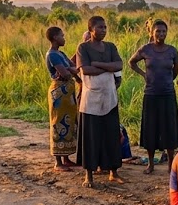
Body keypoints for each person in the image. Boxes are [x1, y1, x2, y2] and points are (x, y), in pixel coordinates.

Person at [75, 16, 124, 188]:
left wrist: (97, 64)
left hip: (109, 97)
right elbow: (86, 70)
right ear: (91, 30)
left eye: (105, 27)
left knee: (111, 136)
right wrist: (107, 66)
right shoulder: (83, 48)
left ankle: (113, 172)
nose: (103, 30)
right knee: (91, 137)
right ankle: (89, 175)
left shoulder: (110, 47)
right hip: (91, 100)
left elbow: (119, 65)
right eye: (100, 27)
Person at [129, 20, 178, 174]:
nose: (161, 34)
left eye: (164, 31)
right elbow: (132, 62)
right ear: (152, 33)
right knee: (150, 128)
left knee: (169, 129)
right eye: (158, 31)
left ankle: (171, 164)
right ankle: (151, 164)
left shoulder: (172, 51)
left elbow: (175, 72)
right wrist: (144, 75)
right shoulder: (146, 49)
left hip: (168, 94)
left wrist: (167, 81)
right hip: (151, 95)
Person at [45, 26, 80, 171]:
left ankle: (66, 158)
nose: (64, 38)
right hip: (59, 92)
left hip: (67, 93)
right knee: (58, 123)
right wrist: (72, 71)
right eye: (62, 35)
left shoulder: (61, 54)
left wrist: (73, 72)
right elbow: (65, 74)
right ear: (55, 38)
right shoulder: (52, 55)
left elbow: (73, 68)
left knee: (69, 123)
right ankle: (58, 162)